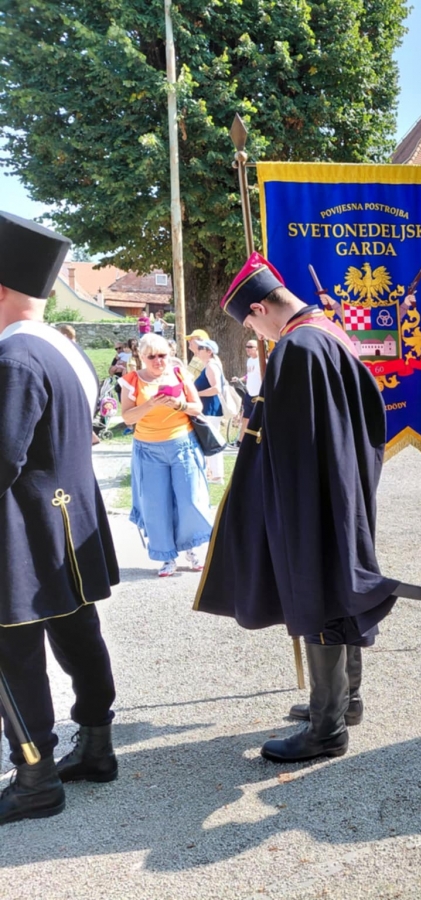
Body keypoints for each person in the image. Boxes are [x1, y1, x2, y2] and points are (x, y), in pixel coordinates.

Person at [195, 252, 400, 763]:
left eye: (250, 322)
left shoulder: (298, 346)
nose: (256, 333)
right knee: (339, 586)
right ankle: (344, 701)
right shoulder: (329, 332)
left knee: (319, 592)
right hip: (341, 486)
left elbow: (292, 443)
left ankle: (327, 728)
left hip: (311, 496)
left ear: (263, 306)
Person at [0, 211, 120, 826]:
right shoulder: (62, 350)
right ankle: (97, 744)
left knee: (13, 655)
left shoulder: (15, 356)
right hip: (68, 527)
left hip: (22, 534)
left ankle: (35, 774)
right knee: (79, 635)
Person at [120, 332, 213, 577]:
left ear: (170, 354)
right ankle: (166, 557)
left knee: (190, 500)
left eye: (162, 355)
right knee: (155, 505)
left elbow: (197, 407)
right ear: (141, 357)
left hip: (182, 444)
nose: (158, 361)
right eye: (152, 356)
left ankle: (192, 548)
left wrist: (179, 405)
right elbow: (127, 417)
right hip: (148, 450)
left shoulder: (181, 374)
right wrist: (152, 403)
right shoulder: (131, 381)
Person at [192, 338, 227, 484]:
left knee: (212, 441)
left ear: (209, 351)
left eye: (201, 348)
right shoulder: (209, 366)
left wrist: (196, 395)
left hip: (211, 408)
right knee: (208, 440)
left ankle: (217, 475)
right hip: (208, 408)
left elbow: (216, 389)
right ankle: (211, 472)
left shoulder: (212, 366)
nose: (198, 350)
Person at [238, 338, 262, 445]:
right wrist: (241, 378)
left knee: (258, 418)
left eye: (250, 347)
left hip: (258, 395)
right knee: (245, 418)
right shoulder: (249, 361)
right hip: (249, 393)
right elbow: (250, 375)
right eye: (246, 347)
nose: (247, 349)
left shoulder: (262, 361)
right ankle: (240, 441)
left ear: (257, 348)